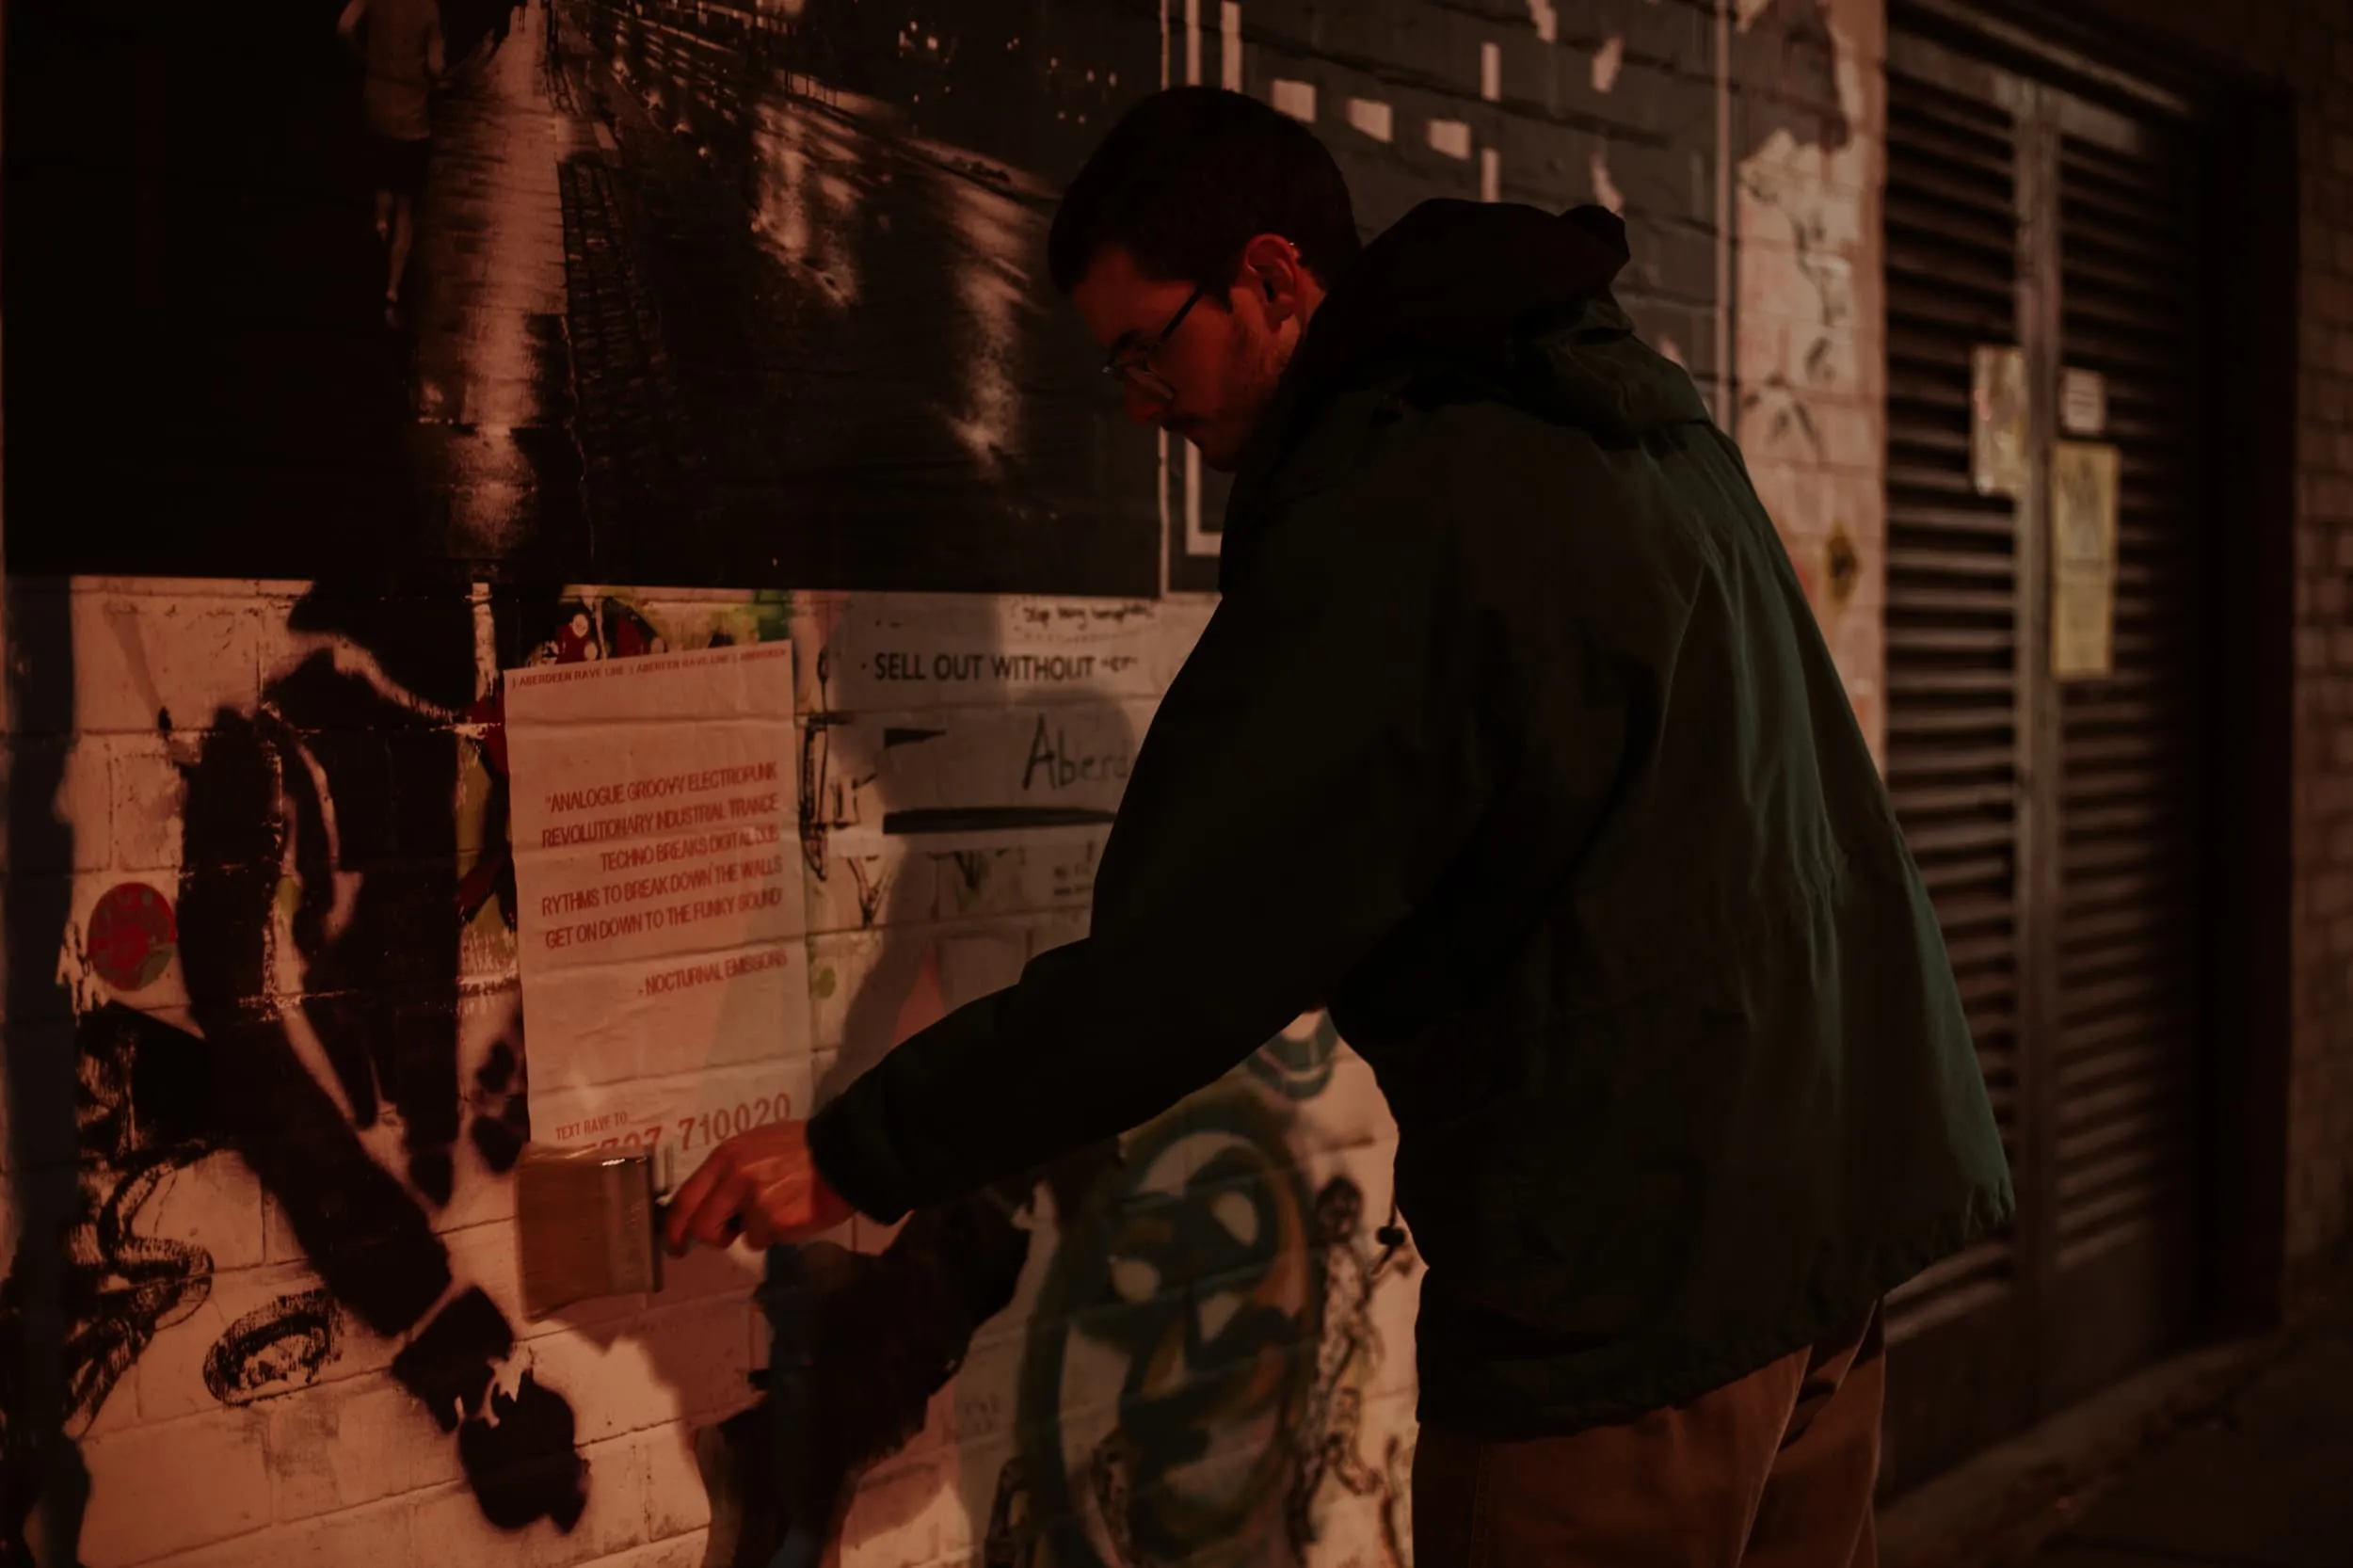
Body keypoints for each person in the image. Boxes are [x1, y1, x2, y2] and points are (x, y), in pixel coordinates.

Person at [664, 87, 2011, 1566]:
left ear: (1272, 279)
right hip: (1827, 1224)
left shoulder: (1400, 503)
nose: (1133, 402)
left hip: (1632, 1293)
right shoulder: (1615, 405)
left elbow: (1185, 962)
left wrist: (862, 1147)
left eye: (1143, 346)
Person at [337, 0, 444, 326]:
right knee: (407, 206)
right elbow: (437, 66)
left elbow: (343, 28)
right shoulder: (428, 9)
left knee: (380, 177)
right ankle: (393, 288)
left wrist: (365, 58)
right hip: (412, 120)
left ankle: (379, 216)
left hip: (377, 108)